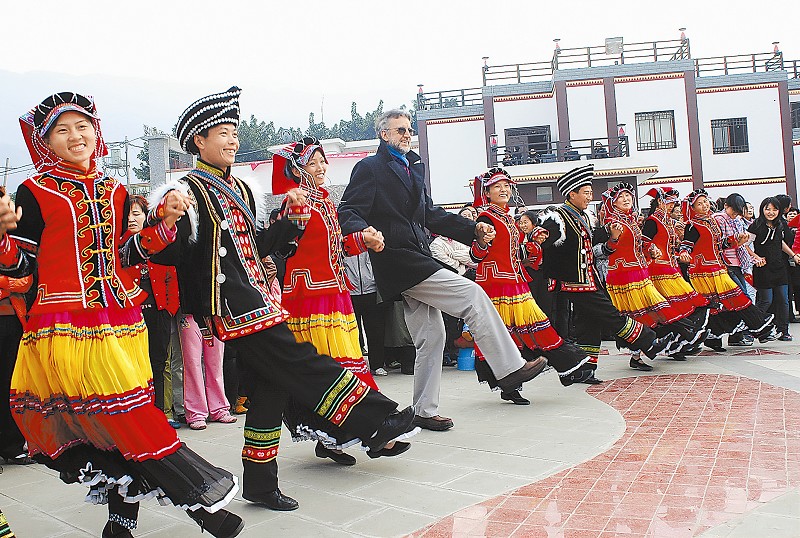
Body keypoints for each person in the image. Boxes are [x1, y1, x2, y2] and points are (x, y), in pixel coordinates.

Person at [157, 88, 416, 512]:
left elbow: (260, 246)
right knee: (306, 361)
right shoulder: (186, 190)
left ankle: (260, 483)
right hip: (231, 305)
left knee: (270, 393)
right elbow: (167, 252)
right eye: (223, 133)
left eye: (235, 133)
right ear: (198, 142)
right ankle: (376, 417)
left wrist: (291, 219)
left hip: (259, 297)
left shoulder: (239, 186)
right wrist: (166, 217)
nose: (233, 141)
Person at [0, 92, 243, 538]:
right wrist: (2, 240)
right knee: (129, 421)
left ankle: (120, 523)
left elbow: (127, 257)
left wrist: (161, 224)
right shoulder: (33, 193)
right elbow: (23, 271)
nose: (76, 136)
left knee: (124, 425)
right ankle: (201, 507)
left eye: (83, 126)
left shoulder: (113, 190)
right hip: (66, 328)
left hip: (124, 322)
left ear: (97, 132)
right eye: (62, 129)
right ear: (46, 141)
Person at [339, 109, 547, 432]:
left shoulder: (413, 166)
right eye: (400, 130)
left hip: (415, 256)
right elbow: (349, 210)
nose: (407, 134)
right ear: (384, 135)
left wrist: (472, 229)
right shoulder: (369, 168)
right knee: (472, 296)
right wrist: (363, 233)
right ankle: (509, 368)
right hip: (398, 260)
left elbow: (430, 215)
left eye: (409, 129)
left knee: (432, 335)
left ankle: (423, 410)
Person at [270, 136, 409, 466]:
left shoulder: (325, 204)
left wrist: (363, 240)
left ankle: (354, 436)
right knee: (333, 371)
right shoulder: (296, 205)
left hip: (335, 294)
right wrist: (292, 210)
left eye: (322, 162)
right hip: (311, 300)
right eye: (313, 162)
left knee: (347, 367)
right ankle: (372, 431)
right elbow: (287, 245)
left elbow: (335, 248)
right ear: (297, 169)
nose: (321, 167)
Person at [538, 165, 677, 381]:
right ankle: (648, 342)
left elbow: (591, 242)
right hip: (571, 281)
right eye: (585, 193)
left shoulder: (581, 216)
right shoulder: (559, 217)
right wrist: (539, 237)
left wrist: (611, 239)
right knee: (611, 314)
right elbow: (546, 237)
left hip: (586, 278)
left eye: (590, 192)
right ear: (571, 194)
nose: (589, 197)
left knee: (590, 323)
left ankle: (585, 370)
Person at [469, 168, 596, 403]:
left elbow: (519, 255)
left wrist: (534, 244)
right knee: (505, 334)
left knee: (532, 326)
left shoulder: (508, 218)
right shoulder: (485, 218)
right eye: (497, 187)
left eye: (507, 186)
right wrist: (481, 241)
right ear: (487, 193)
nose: (504, 190)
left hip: (515, 281)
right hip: (497, 285)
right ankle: (523, 381)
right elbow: (476, 255)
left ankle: (564, 367)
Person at [599, 184, 708, 370]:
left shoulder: (631, 220)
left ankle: (675, 340)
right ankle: (644, 353)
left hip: (640, 272)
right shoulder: (612, 221)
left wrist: (651, 249)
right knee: (639, 316)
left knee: (656, 310)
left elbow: (640, 244)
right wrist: (614, 237)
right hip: (624, 276)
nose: (626, 199)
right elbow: (606, 247)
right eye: (621, 197)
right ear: (613, 202)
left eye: (628, 195)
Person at [678, 189, 776, 351]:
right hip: (703, 271)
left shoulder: (710, 221)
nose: (704, 205)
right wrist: (683, 252)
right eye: (699, 204)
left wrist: (735, 241)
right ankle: (761, 327)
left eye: (705, 201)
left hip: (717, 268)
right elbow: (686, 244)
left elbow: (720, 245)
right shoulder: (693, 225)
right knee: (735, 297)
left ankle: (713, 337)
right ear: (692, 208)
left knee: (719, 304)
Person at [123, 195, 181, 417]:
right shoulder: (121, 247)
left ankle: (159, 413)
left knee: (159, 361)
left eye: (136, 214)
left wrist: (169, 309)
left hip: (159, 312)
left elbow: (171, 276)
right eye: (127, 215)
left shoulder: (159, 244)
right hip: (132, 314)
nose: (131, 219)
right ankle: (140, 414)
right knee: (135, 364)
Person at [641, 187, 709, 358]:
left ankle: (678, 345)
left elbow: (670, 248)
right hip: (659, 272)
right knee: (674, 309)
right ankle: (681, 341)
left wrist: (681, 254)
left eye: (674, 203)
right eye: (669, 202)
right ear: (660, 202)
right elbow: (644, 244)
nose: (672, 206)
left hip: (672, 269)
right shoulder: (652, 221)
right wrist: (652, 249)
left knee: (687, 305)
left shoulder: (668, 222)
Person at [748, 197, 800, 341]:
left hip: (779, 268)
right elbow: (745, 244)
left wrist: (793, 255)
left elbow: (780, 242)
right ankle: (750, 327)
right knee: (766, 301)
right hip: (763, 268)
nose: (771, 212)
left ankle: (783, 331)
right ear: (762, 209)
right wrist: (756, 257)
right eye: (768, 209)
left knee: (784, 300)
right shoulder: (756, 225)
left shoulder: (779, 225)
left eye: (774, 209)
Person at [0, 273, 34, 466]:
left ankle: (11, 445)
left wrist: (4, 284)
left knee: (11, 383)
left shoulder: (11, 245)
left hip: (14, 320)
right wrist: (7, 284)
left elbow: (26, 280)